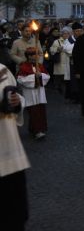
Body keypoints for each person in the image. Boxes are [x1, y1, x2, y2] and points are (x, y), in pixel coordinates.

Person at [0, 64, 31, 231]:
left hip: (11, 154)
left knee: (16, 214)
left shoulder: (2, 70)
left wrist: (16, 102)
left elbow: (15, 100)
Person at [16, 48, 50, 139]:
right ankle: (37, 131)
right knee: (33, 112)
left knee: (40, 110)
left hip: (40, 92)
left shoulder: (40, 65)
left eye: (37, 55)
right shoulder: (23, 67)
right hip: (30, 93)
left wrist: (41, 76)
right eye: (35, 55)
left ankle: (38, 129)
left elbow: (47, 76)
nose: (37, 56)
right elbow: (20, 79)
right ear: (29, 56)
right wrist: (34, 77)